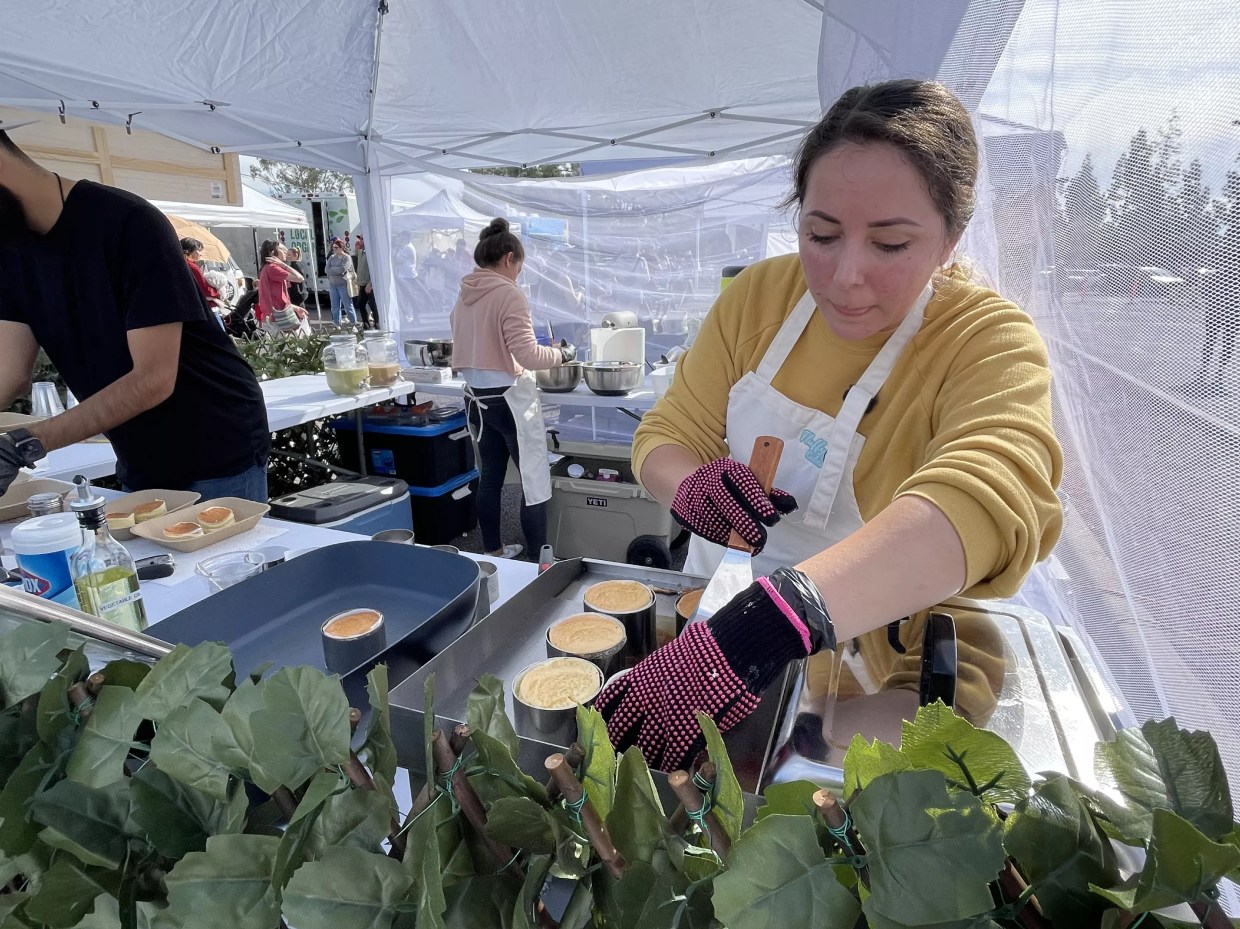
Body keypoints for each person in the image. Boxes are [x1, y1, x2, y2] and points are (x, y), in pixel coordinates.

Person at [597, 79, 1064, 772]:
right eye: (821, 234)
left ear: (951, 239)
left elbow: (988, 499)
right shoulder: (760, 297)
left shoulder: (986, 340)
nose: (846, 276)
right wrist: (693, 485)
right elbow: (665, 434)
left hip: (882, 674)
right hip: (717, 625)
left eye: (891, 244)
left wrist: (778, 621)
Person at [0, 125, 271, 501]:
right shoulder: (11, 253)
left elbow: (153, 378)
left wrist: (27, 443)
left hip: (213, 444)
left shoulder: (127, 222)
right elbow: (9, 375)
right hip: (138, 453)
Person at [451, 218, 576, 560]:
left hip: (477, 399)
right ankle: (541, 561)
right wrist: (563, 354)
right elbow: (529, 355)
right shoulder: (509, 293)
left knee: (489, 477)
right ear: (509, 258)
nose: (519, 272)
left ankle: (494, 550)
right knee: (533, 481)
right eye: (520, 265)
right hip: (509, 400)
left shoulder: (465, 294)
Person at [257, 239, 309, 335]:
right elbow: (299, 278)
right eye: (281, 249)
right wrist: (283, 265)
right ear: (272, 252)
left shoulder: (266, 268)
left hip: (272, 316)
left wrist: (295, 308)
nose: (285, 251)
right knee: (288, 347)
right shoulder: (273, 268)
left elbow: (276, 296)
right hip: (278, 318)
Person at [324, 239, 358, 327]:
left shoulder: (347, 257)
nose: (334, 249)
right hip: (333, 285)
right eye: (333, 247)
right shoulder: (332, 257)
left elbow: (343, 269)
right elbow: (326, 269)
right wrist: (336, 270)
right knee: (335, 306)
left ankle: (354, 324)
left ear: (342, 247)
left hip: (343, 285)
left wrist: (333, 270)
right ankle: (337, 324)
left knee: (347, 305)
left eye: (336, 247)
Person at [352, 235, 379, 329]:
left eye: (362, 239)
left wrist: (370, 284)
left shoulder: (371, 253)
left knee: (373, 305)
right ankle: (365, 323)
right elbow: (357, 266)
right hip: (363, 283)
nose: (360, 241)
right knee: (360, 303)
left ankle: (377, 323)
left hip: (369, 284)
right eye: (360, 239)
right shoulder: (361, 251)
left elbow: (375, 270)